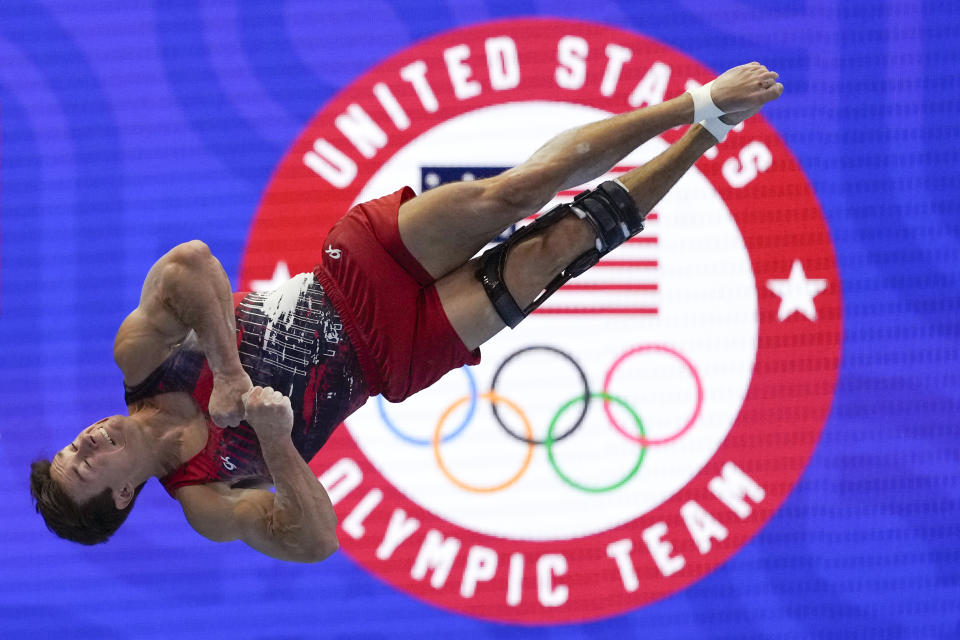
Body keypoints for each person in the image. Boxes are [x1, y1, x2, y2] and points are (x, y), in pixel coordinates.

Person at [30, 63, 783, 563]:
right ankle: (708, 137)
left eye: (74, 445)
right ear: (123, 496)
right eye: (89, 466)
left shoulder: (141, 361)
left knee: (521, 191)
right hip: (392, 357)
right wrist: (275, 441)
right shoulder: (202, 496)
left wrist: (227, 373)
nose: (88, 440)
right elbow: (315, 540)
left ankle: (697, 101)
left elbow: (191, 263)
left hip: (357, 271)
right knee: (561, 247)